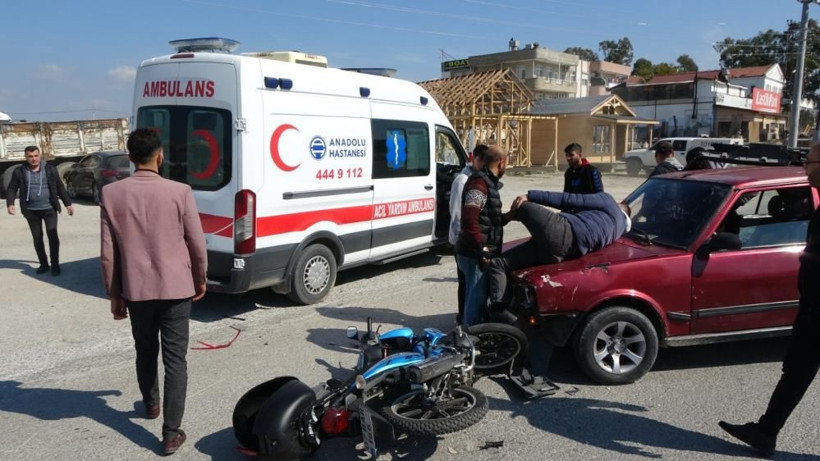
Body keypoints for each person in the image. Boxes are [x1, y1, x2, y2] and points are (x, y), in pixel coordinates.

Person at [100, 128, 207, 456]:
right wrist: (200, 279)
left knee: (144, 350)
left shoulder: (111, 193)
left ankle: (151, 406)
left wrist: (114, 294)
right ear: (160, 156)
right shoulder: (180, 191)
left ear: (130, 158)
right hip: (176, 288)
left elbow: (109, 251)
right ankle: (171, 434)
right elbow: (197, 244)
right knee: (176, 360)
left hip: (136, 289)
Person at [718, 143, 820, 457]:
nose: (804, 166)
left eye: (809, 160)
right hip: (813, 307)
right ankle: (765, 431)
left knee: (798, 370)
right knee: (797, 371)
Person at [487, 191, 631, 316]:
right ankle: (505, 316)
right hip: (560, 253)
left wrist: (530, 196)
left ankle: (499, 309)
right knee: (499, 263)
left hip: (562, 232)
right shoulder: (617, 232)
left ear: (619, 206)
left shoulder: (609, 202)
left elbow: (570, 199)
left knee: (523, 206)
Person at [455, 145, 511, 325]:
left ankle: (466, 334)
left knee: (470, 300)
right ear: (501, 162)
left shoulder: (487, 182)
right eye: (507, 164)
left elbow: (486, 218)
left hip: (473, 251)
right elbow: (470, 219)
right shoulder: (479, 184)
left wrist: (509, 217)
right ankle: (470, 343)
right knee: (475, 305)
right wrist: (483, 249)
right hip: (474, 254)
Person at [5, 146, 74, 275]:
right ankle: (43, 264)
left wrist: (68, 204)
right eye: (30, 157)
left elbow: (60, 187)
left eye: (36, 156)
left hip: (49, 209)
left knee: (52, 236)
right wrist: (10, 203)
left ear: (39, 155)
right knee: (37, 238)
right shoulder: (20, 171)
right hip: (31, 210)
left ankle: (55, 265)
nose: (33, 159)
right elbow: (12, 188)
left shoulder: (50, 169)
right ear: (26, 157)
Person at [449, 144, 487, 323]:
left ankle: (463, 317)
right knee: (466, 283)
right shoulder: (462, 181)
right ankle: (463, 318)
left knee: (468, 284)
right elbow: (457, 214)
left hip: (468, 240)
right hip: (462, 241)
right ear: (475, 159)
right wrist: (459, 241)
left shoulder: (478, 179)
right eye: (483, 161)